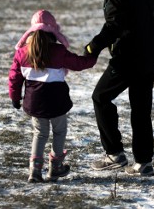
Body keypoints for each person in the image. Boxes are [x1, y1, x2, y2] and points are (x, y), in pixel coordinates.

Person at [85, 0, 154, 176]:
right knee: (141, 109)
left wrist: (93, 46)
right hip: (150, 57)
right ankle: (143, 163)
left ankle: (114, 153)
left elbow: (114, 25)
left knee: (100, 97)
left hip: (128, 58)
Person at [8, 10, 97, 183]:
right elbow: (79, 64)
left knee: (40, 133)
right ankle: (56, 167)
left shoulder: (23, 53)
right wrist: (92, 55)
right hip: (57, 101)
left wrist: (15, 97)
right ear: (54, 31)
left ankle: (35, 170)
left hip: (35, 101)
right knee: (59, 131)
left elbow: (14, 77)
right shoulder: (58, 51)